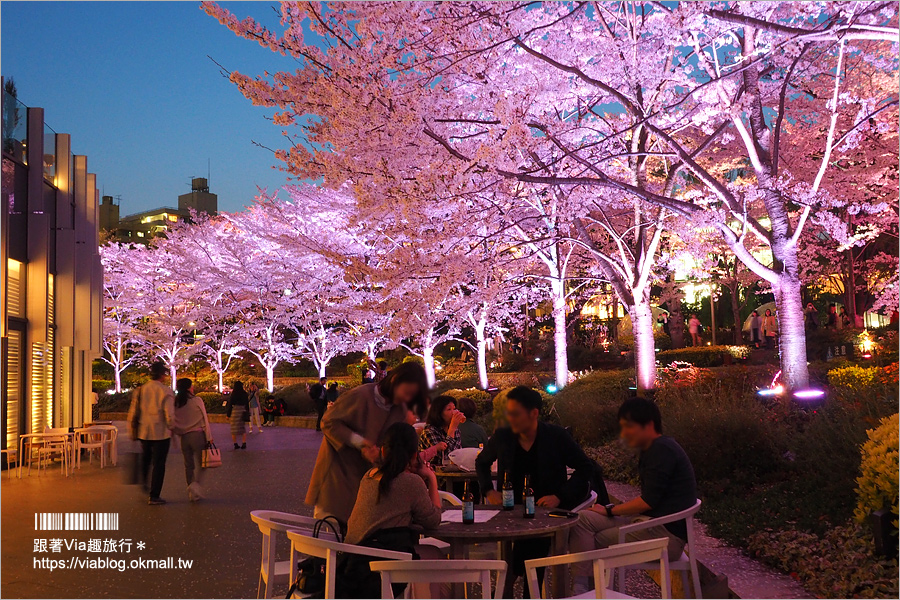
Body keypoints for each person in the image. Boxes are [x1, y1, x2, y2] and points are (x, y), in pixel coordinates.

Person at [476, 386, 600, 596]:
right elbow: (482, 462)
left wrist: (560, 496)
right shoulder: (504, 437)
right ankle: (525, 590)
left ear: (534, 413)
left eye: (515, 414)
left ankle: (512, 587)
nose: (511, 419)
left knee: (536, 537)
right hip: (512, 509)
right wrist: (488, 491)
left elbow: (586, 468)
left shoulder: (556, 437)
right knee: (532, 543)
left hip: (548, 510)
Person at [569, 398, 697, 595]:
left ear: (649, 425)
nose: (624, 433)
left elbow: (647, 502)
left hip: (665, 537)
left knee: (599, 538)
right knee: (582, 520)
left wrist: (610, 510)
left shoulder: (661, 450)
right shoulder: (656, 448)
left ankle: (590, 592)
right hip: (651, 523)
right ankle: (585, 588)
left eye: (629, 426)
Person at [306, 362, 429, 523]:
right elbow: (329, 422)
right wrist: (362, 443)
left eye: (411, 396)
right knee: (333, 533)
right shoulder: (360, 395)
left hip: (366, 483)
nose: (406, 398)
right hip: (337, 475)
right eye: (406, 392)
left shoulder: (399, 409)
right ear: (395, 380)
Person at [344, 422, 444, 598]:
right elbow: (433, 520)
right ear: (414, 455)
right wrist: (431, 478)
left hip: (353, 562)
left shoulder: (369, 476)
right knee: (433, 554)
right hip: (379, 567)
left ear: (383, 450)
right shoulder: (411, 482)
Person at [126, 361, 175, 505]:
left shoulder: (140, 390)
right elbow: (169, 415)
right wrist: (172, 427)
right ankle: (154, 495)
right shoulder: (166, 391)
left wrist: (131, 430)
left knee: (146, 458)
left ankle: (144, 481)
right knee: (159, 464)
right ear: (162, 374)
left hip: (144, 431)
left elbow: (133, 412)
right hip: (161, 433)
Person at [172, 378, 212, 502]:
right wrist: (209, 436)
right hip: (197, 435)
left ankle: (191, 488)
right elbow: (204, 419)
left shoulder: (177, 403)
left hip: (184, 437)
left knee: (188, 465)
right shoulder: (197, 400)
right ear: (189, 387)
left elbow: (173, 420)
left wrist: (177, 433)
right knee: (203, 464)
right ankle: (196, 486)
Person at [419, 395, 466, 466]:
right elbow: (444, 458)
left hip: (453, 471)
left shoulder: (456, 430)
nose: (454, 412)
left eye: (454, 408)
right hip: (434, 473)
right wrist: (452, 429)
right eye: (449, 409)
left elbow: (457, 455)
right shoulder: (430, 431)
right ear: (439, 413)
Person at [226, 381, 249, 450]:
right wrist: (247, 411)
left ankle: (235, 444)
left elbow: (230, 405)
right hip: (242, 411)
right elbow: (247, 404)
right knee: (242, 428)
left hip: (235, 411)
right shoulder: (244, 393)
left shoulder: (233, 394)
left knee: (233, 428)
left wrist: (228, 414)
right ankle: (244, 443)